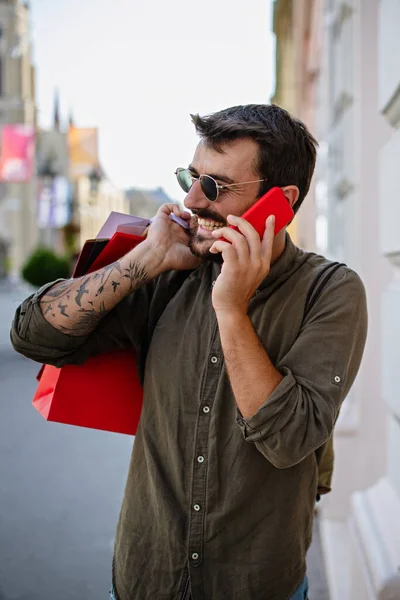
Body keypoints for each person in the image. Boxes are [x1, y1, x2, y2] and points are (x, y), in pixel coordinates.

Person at [11, 104, 367, 600]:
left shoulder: (330, 292)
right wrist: (146, 257)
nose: (192, 198)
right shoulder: (168, 271)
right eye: (190, 176)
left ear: (280, 203)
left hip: (258, 585)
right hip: (145, 577)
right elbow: (32, 334)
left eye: (216, 186)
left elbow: (289, 440)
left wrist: (232, 310)